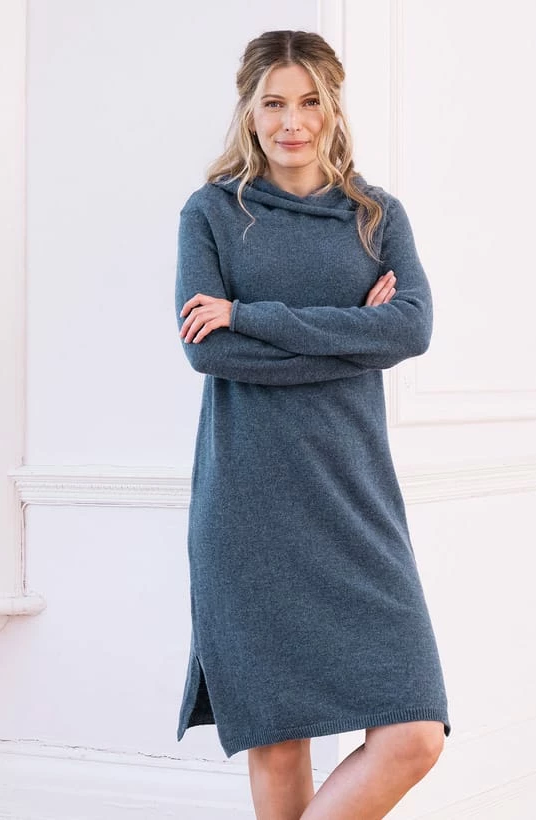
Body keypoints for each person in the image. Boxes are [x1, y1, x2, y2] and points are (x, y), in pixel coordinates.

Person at [174, 29, 451, 820]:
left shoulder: (375, 215)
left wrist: (250, 315)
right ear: (248, 110)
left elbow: (409, 330)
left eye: (308, 102)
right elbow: (208, 352)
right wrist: (353, 336)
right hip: (249, 501)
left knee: (413, 735)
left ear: (332, 109)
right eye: (273, 103)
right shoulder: (211, 213)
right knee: (277, 738)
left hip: (354, 497)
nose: (291, 122)